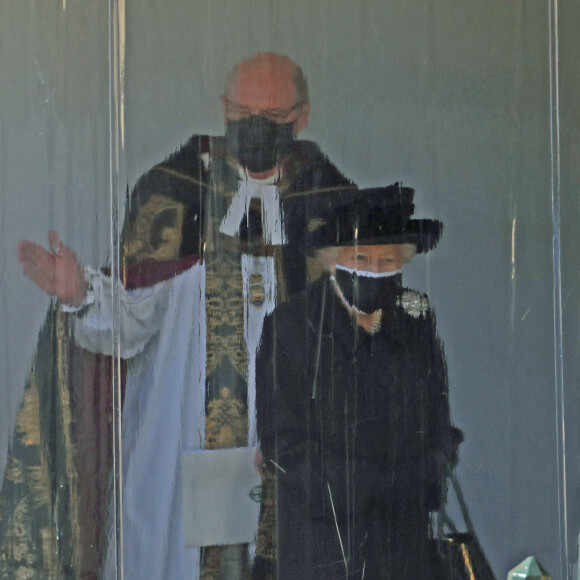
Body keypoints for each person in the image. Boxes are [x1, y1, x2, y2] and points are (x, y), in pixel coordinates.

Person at [5, 53, 354, 579]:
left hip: (292, 458)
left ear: (301, 117)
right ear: (223, 109)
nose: (256, 126)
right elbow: (131, 325)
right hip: (177, 447)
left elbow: (356, 337)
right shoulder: (172, 196)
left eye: (273, 116)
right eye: (242, 111)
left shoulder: (332, 206)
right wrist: (83, 294)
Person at [256, 185, 458, 579]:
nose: (373, 271)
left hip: (403, 550)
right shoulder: (291, 328)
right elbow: (283, 441)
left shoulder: (416, 321)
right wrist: (375, 486)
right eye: (361, 258)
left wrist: (427, 473)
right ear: (333, 262)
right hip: (323, 550)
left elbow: (437, 423)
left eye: (387, 261)